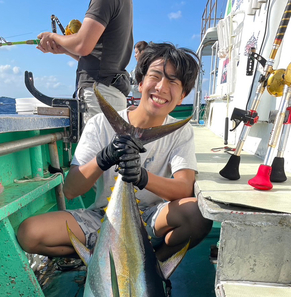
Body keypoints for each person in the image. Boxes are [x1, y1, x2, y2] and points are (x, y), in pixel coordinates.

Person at [17, 42, 213, 263]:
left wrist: (142, 177)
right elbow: (71, 190)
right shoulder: (100, 124)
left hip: (152, 217)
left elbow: (185, 188)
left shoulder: (180, 132)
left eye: (173, 81)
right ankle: (99, 261)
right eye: (155, 76)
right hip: (103, 217)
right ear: (140, 83)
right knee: (29, 234)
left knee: (198, 214)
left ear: (183, 95)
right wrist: (103, 158)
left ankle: (154, 267)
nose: (161, 87)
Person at [37, 0, 133, 123]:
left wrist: (52, 37)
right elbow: (99, 57)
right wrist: (66, 50)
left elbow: (83, 45)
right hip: (110, 95)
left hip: (99, 97)